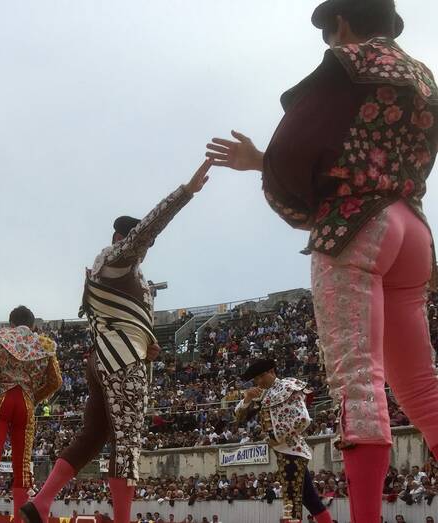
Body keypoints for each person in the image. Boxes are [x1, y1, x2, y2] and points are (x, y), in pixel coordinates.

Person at [205, 1, 438, 520]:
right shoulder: (422, 75)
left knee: (358, 381)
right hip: (414, 228)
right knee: (423, 389)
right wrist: (262, 161)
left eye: (329, 31)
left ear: (342, 23)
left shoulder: (348, 61)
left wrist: (281, 181)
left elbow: (294, 152)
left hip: (359, 228)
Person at [21, 160, 212, 523]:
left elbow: (126, 324)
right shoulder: (118, 259)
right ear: (125, 239)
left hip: (104, 358)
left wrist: (149, 346)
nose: (142, 247)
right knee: (127, 442)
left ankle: (42, 502)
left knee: (93, 436)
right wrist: (185, 193)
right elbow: (146, 233)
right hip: (121, 362)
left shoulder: (114, 274)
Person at [0, 306, 62, 523]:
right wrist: (33, 397)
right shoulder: (45, 344)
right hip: (26, 405)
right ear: (32, 325)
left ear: (11, 324)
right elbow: (56, 381)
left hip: (1, 399)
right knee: (22, 466)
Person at [234, 359, 332, 523]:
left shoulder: (288, 386)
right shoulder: (263, 394)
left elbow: (303, 419)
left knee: (291, 500)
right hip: (285, 451)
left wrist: (275, 438)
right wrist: (247, 399)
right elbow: (239, 417)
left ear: (271, 372)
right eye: (255, 379)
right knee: (310, 500)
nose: (258, 382)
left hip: (291, 451)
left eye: (260, 377)